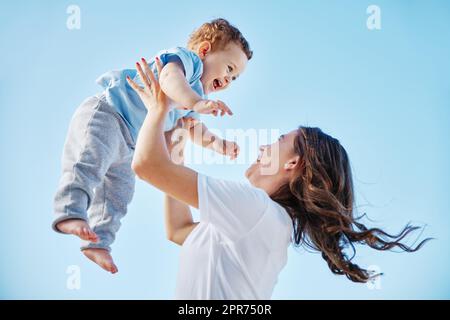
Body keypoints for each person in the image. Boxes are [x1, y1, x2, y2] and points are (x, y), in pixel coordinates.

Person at [127, 56, 431, 299]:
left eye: (279, 140)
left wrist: (159, 108)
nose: (263, 146)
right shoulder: (264, 222)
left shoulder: (258, 210)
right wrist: (176, 141)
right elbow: (179, 230)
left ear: (294, 162)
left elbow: (145, 165)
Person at [52, 18, 252, 273]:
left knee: (119, 194)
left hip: (130, 144)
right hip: (108, 114)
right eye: (229, 68)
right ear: (204, 50)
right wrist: (194, 102)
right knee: (88, 163)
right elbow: (169, 80)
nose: (228, 79)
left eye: (234, 78)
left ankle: (99, 242)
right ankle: (69, 212)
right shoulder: (187, 63)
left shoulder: (198, 97)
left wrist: (219, 145)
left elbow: (194, 130)